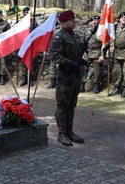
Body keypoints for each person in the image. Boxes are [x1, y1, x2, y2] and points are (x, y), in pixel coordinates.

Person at [49, 9, 86, 146]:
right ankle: (62, 133)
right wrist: (71, 64)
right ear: (64, 21)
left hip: (75, 76)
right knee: (63, 105)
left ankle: (70, 131)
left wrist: (81, 62)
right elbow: (54, 56)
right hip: (65, 76)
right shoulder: (59, 37)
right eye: (71, 19)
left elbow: (78, 53)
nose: (74, 21)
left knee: (72, 105)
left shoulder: (76, 37)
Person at [109, 12, 125, 98]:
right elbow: (110, 39)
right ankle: (116, 88)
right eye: (122, 17)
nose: (124, 19)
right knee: (116, 71)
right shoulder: (115, 27)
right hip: (117, 52)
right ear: (119, 19)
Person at [80, 16, 105, 94]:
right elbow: (82, 41)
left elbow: (105, 44)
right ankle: (82, 85)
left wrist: (102, 55)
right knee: (83, 69)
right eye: (94, 20)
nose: (95, 22)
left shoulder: (101, 31)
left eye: (97, 20)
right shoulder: (87, 31)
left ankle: (97, 85)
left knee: (98, 71)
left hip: (97, 53)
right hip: (87, 53)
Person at [19, 6, 38, 86]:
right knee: (23, 62)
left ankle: (30, 79)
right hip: (23, 45)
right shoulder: (21, 22)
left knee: (31, 62)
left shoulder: (33, 23)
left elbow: (37, 33)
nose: (26, 14)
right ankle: (24, 78)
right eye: (25, 12)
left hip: (31, 45)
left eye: (27, 12)